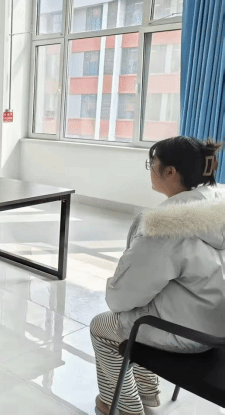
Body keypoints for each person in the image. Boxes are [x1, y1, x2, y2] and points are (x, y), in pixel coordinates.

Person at [90, 136, 225, 415]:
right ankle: (148, 392)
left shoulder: (166, 228)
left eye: (152, 164)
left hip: (192, 334)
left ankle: (124, 406)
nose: (150, 169)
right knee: (145, 305)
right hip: (216, 320)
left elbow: (120, 298)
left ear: (170, 172)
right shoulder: (217, 204)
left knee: (103, 325)